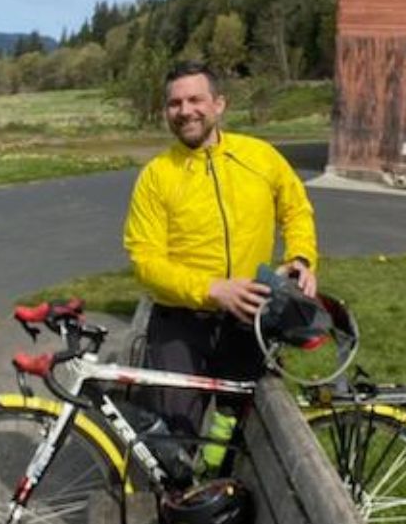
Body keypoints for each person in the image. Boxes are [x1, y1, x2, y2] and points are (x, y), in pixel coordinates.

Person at [123, 61, 319, 473]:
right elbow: (145, 261)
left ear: (219, 104)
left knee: (235, 435)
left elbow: (296, 209)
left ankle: (218, 511)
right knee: (174, 445)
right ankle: (173, 523)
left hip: (249, 319)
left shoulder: (259, 156)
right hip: (181, 324)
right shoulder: (157, 176)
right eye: (175, 103)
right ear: (166, 112)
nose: (185, 110)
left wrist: (301, 258)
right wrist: (212, 288)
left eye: (195, 99)